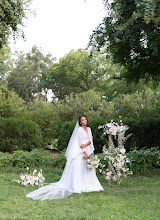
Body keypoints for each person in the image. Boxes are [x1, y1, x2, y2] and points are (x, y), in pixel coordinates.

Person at [26, 115, 103, 200]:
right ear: (80, 122)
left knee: (88, 166)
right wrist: (85, 152)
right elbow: (80, 143)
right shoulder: (79, 130)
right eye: (82, 120)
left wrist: (88, 147)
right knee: (79, 166)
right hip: (82, 151)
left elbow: (90, 140)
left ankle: (89, 183)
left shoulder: (89, 129)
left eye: (85, 119)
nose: (84, 121)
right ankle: (77, 184)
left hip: (88, 149)